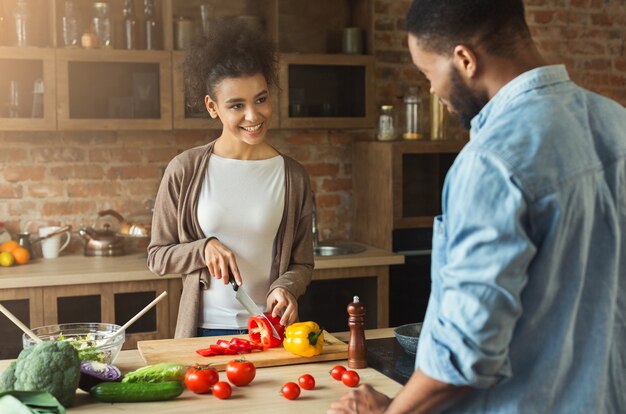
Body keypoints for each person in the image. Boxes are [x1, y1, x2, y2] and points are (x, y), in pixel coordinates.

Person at [329, 0, 626, 413]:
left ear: (465, 59)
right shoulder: (616, 123)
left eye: (427, 72)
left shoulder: (491, 160)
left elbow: (464, 360)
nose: (431, 89)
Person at [147, 22, 314, 338]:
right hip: (204, 331)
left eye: (261, 99)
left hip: (270, 332)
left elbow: (302, 263)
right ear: (212, 107)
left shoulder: (292, 176)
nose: (253, 116)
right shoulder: (184, 169)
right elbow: (158, 257)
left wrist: (287, 287)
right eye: (237, 105)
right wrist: (204, 248)